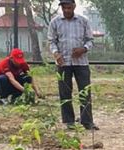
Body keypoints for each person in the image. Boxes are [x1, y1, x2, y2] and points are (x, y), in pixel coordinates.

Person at [48, 0, 96, 130]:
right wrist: (56, 53)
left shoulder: (83, 21)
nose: (67, 11)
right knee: (64, 92)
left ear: (74, 7)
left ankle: (87, 121)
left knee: (85, 91)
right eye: (64, 8)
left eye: (69, 8)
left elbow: (91, 40)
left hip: (81, 62)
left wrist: (84, 49)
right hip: (63, 62)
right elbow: (51, 41)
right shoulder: (55, 22)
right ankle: (69, 122)